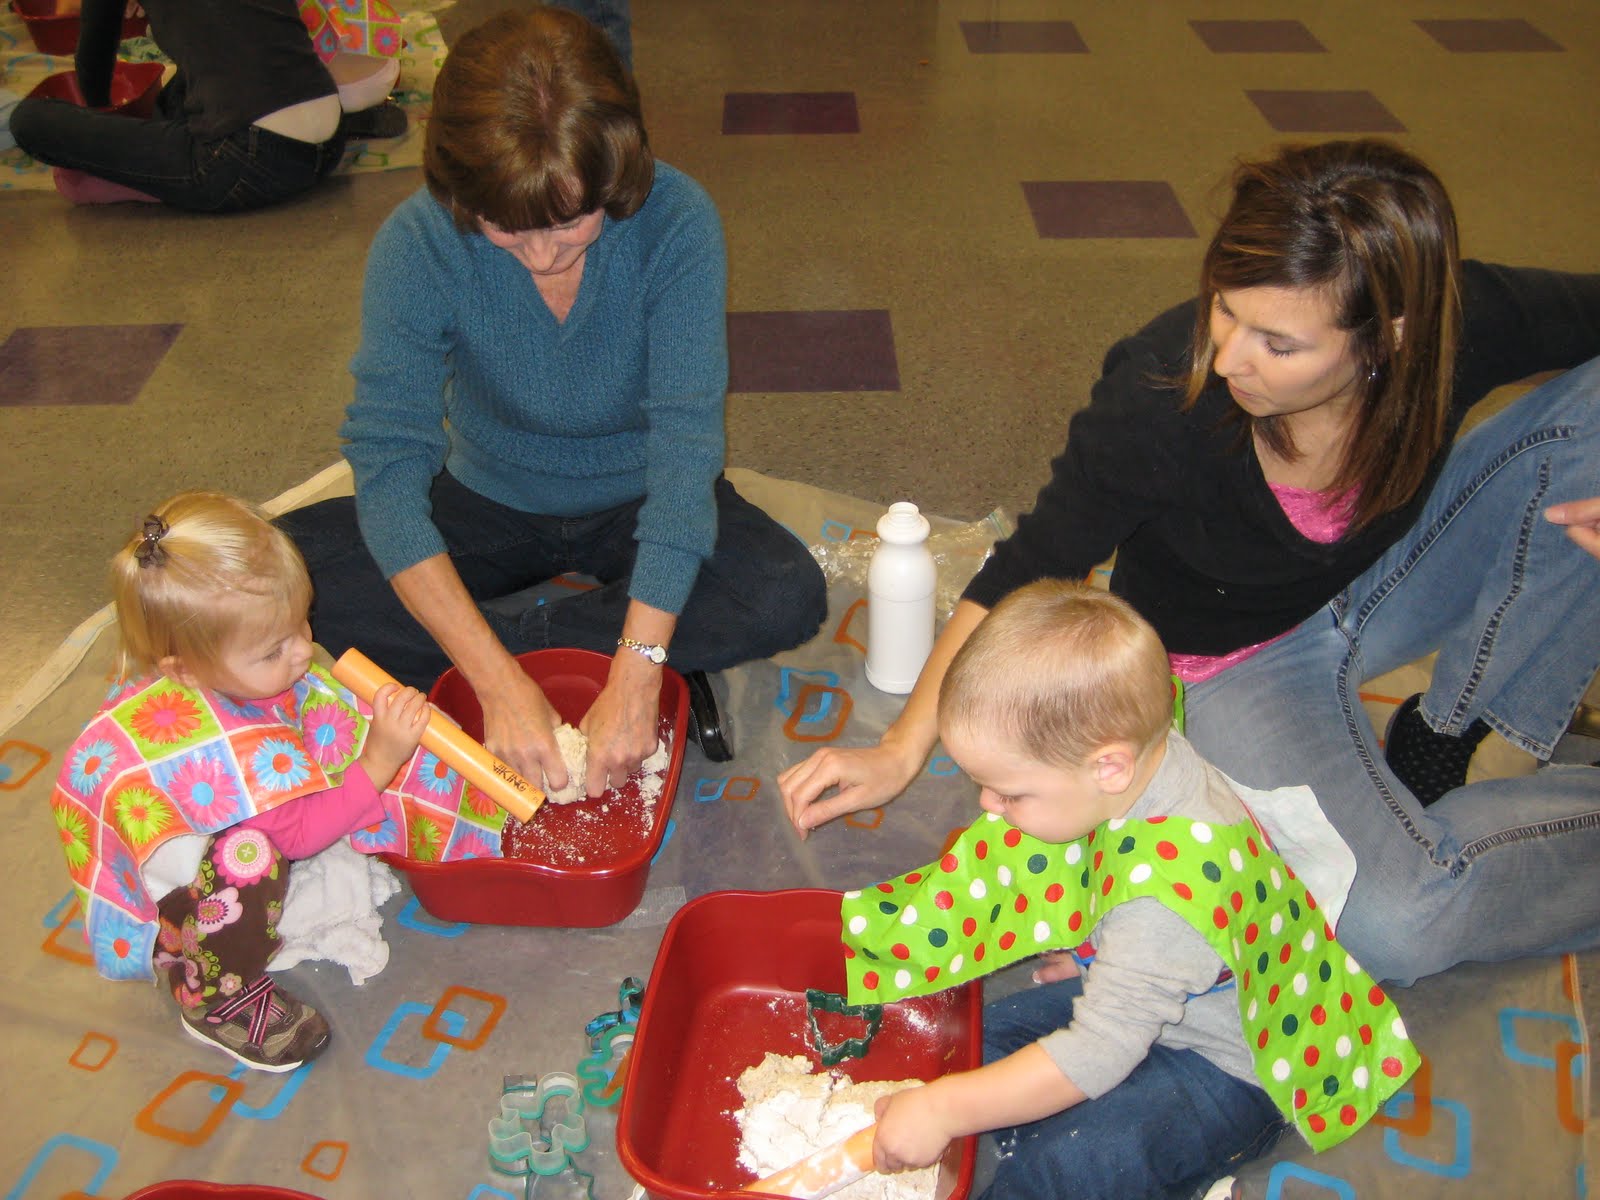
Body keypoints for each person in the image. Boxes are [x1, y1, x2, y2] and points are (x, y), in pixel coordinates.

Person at [783, 138, 1600, 986]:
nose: (1231, 356)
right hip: (1239, 663)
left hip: (1390, 564)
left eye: (1278, 343)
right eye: (1225, 308)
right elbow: (1026, 567)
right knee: (1398, 925)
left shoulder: (1457, 323)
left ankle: (1454, 723)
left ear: (1390, 336)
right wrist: (902, 749)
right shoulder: (1162, 392)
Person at [279, 6, 827, 799]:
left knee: (780, 592)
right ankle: (553, 654)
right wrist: (496, 680)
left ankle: (545, 649)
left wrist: (636, 672)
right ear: (461, 193)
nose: (542, 256)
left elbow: (684, 455)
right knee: (274, 580)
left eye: (571, 221)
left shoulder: (678, 222)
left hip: (638, 495)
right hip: (486, 492)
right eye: (505, 228)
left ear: (617, 174)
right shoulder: (418, 239)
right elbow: (389, 457)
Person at [841, 582, 1416, 1200]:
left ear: (1108, 767)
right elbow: (1107, 873)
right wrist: (1101, 954)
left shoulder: (1160, 909)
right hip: (1165, 990)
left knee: (1070, 1167)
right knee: (967, 1046)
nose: (987, 805)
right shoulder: (1139, 759)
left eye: (1009, 793)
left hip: (1232, 1061)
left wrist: (944, 1111)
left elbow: (1100, 1048)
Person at [49, 492, 435, 1072]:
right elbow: (298, 836)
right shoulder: (219, 750)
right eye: (274, 649)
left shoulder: (204, 664)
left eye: (301, 622)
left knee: (252, 840)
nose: (304, 650)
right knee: (252, 855)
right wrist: (379, 759)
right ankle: (210, 996)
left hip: (192, 851)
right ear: (184, 670)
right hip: (177, 908)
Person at [9, 0, 352, 210]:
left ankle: (134, 182)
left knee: (28, 119)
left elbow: (93, 61)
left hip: (246, 159)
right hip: (329, 141)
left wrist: (100, 131)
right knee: (186, 85)